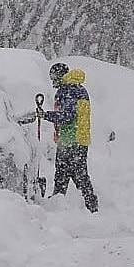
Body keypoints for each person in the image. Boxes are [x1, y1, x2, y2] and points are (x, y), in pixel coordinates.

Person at [40, 62, 99, 212]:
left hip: (72, 140)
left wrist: (45, 115)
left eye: (54, 77)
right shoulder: (76, 89)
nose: (52, 81)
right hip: (75, 139)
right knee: (68, 173)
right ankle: (65, 202)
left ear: (61, 76)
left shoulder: (68, 90)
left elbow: (67, 116)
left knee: (72, 174)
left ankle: (89, 206)